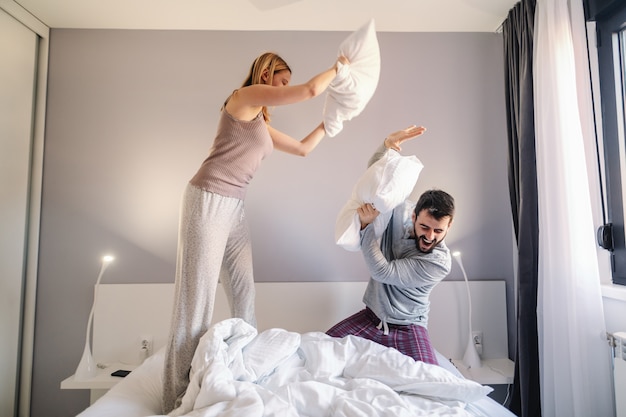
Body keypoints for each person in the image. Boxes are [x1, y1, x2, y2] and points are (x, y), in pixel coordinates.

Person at [162, 51, 349, 414]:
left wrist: (332, 121)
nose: (283, 89)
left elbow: (303, 149)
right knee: (195, 303)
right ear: (265, 72)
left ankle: (245, 372)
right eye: (281, 81)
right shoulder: (242, 99)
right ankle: (174, 398)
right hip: (208, 199)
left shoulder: (260, 123)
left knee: (244, 293)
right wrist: (339, 69)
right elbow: (310, 90)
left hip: (234, 208)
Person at [326, 125, 454, 365]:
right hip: (370, 317)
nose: (430, 236)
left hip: (409, 327)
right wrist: (386, 145)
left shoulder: (439, 262)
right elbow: (375, 182)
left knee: (431, 380)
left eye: (439, 231)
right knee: (320, 348)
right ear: (414, 216)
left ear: (449, 227)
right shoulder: (399, 213)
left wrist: (366, 228)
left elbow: (382, 272)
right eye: (425, 227)